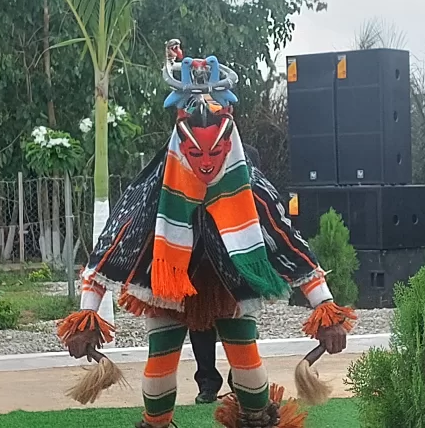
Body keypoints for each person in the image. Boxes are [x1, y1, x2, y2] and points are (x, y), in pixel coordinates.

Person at [58, 43, 356, 428]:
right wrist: (87, 316)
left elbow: (287, 243)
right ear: (180, 142)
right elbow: (108, 251)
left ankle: (256, 419)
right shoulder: (153, 190)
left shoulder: (251, 190)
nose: (205, 162)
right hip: (167, 283)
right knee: (159, 365)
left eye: (215, 151)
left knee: (247, 364)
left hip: (229, 284)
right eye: (195, 152)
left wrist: (326, 309)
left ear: (230, 142)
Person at [190, 144, 261, 405]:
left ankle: (240, 380)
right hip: (199, 256)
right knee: (199, 323)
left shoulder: (248, 154)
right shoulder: (191, 157)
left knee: (242, 321)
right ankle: (207, 383)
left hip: (237, 255)